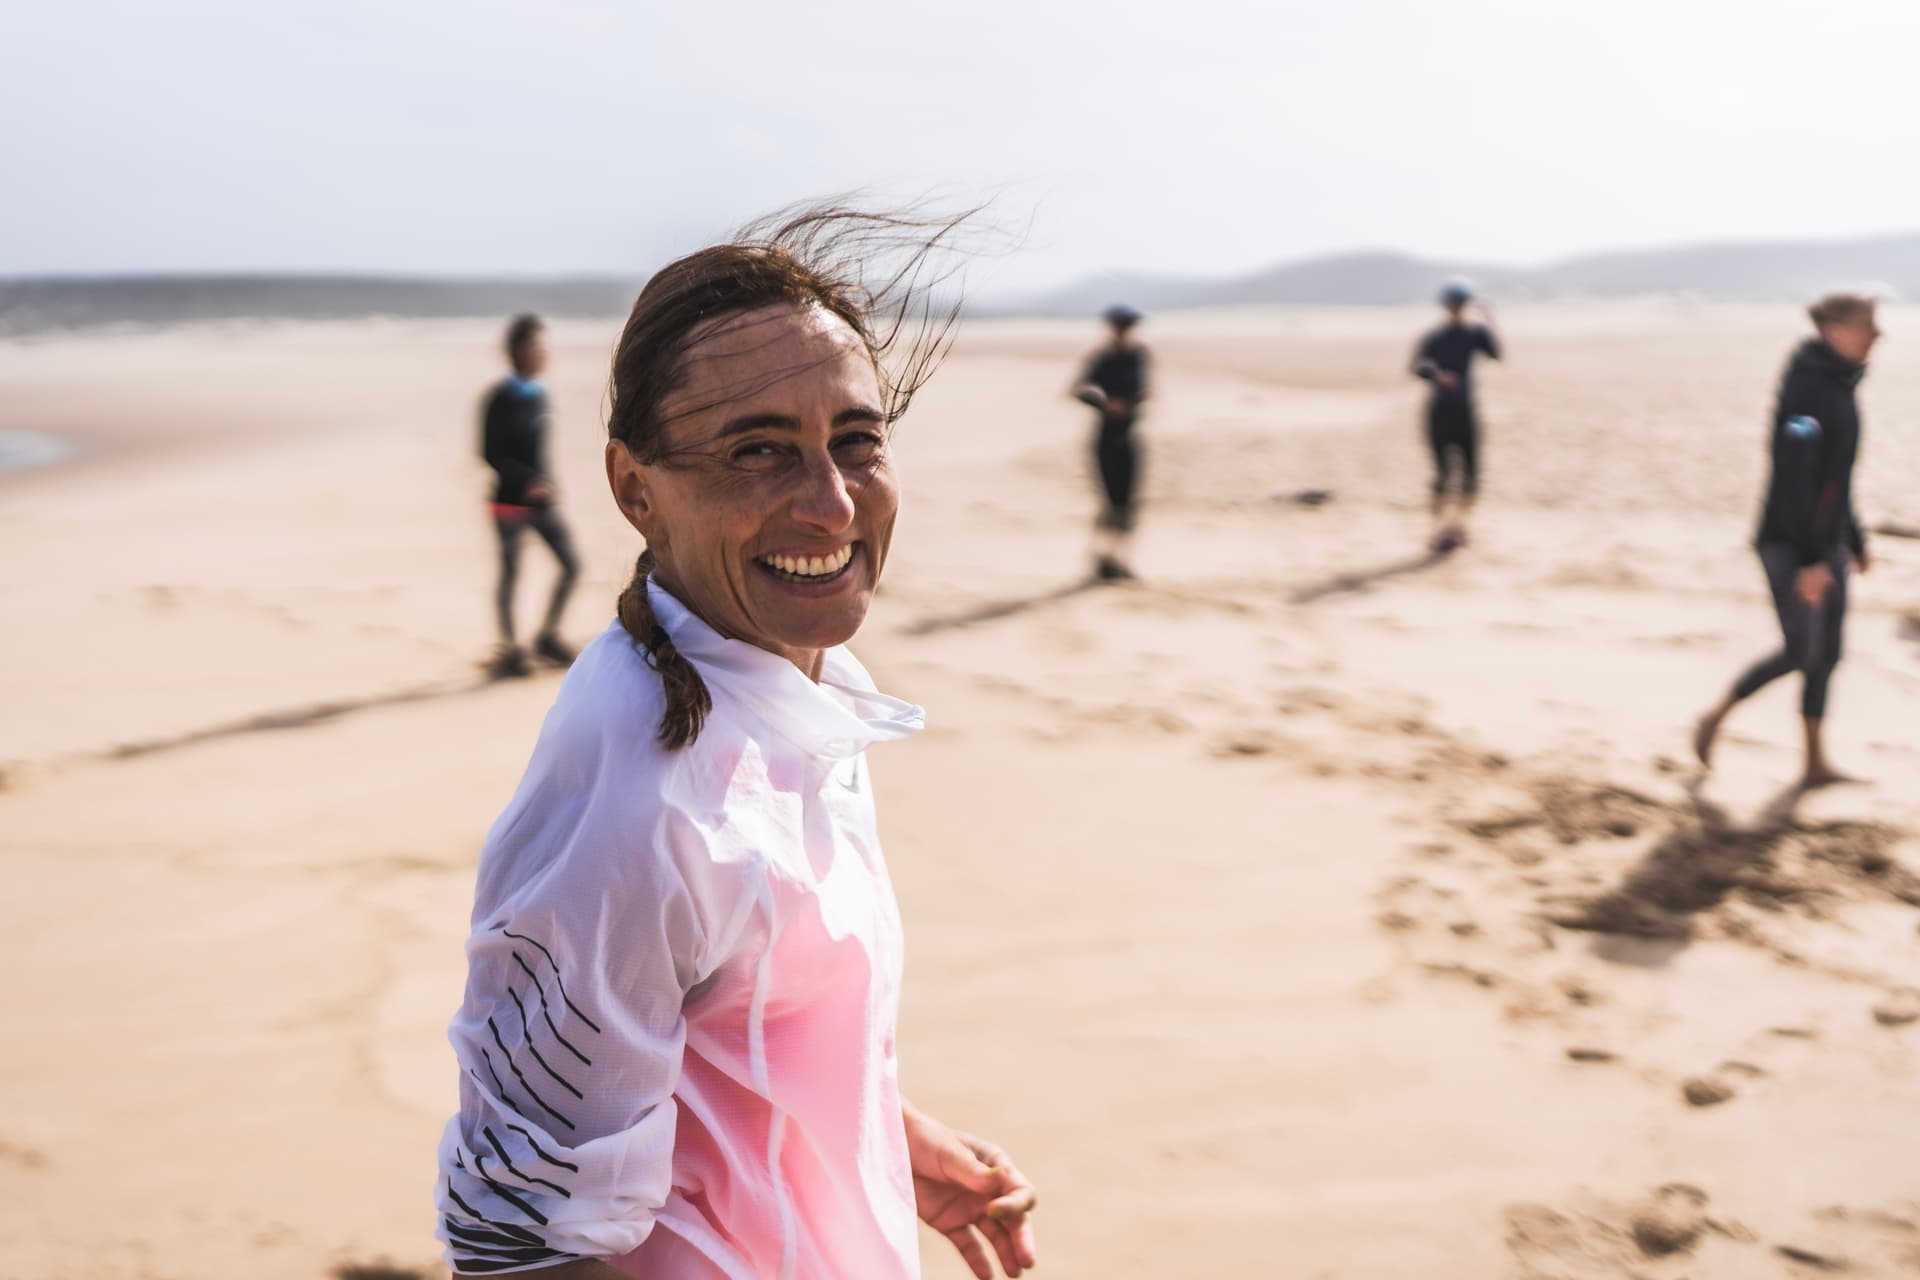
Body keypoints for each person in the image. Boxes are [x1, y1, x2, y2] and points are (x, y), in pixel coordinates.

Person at [435, 209, 1039, 1280]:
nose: (830, 501)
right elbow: (516, 1240)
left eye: (856, 441)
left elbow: (706, 1014)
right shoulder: (643, 800)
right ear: (636, 489)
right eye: (756, 451)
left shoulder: (780, 688)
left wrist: (873, 1129)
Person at [1693, 291, 1880, 787]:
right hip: (1790, 544)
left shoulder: (1838, 383)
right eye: (1868, 324)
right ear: (1835, 330)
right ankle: (1713, 717)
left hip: (1826, 542)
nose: (1877, 334)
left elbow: (1835, 477)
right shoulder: (1808, 389)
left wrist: (1853, 537)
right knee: (1801, 649)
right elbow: (1797, 476)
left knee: (1829, 653)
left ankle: (1814, 763)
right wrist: (1813, 559)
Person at [482, 314, 580, 677]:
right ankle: (510, 651)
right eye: (538, 345)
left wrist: (546, 484)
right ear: (519, 350)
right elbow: (489, 454)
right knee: (511, 574)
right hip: (508, 502)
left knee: (571, 565)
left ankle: (547, 637)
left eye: (545, 346)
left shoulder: (538, 395)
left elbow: (538, 452)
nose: (544, 352)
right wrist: (526, 481)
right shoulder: (501, 398)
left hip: (542, 502)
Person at [1411, 279, 1500, 552]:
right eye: (1454, 304)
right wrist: (1438, 376)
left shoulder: (1475, 334)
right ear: (1446, 306)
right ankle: (1438, 529)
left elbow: (1495, 354)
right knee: (1442, 474)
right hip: (1439, 412)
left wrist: (1490, 319)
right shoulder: (1435, 336)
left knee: (1471, 475)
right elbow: (1417, 366)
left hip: (1466, 411)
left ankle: (1457, 526)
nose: (1458, 309)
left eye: (1462, 304)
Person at [1072, 304, 1150, 581]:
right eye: (1121, 327)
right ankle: (1100, 557)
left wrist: (1134, 401)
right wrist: (1105, 404)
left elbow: (1145, 390)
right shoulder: (1103, 357)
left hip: (1129, 435)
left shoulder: (1139, 356)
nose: (1125, 332)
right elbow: (1079, 389)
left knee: (1128, 501)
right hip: (1105, 437)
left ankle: (1119, 558)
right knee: (1109, 500)